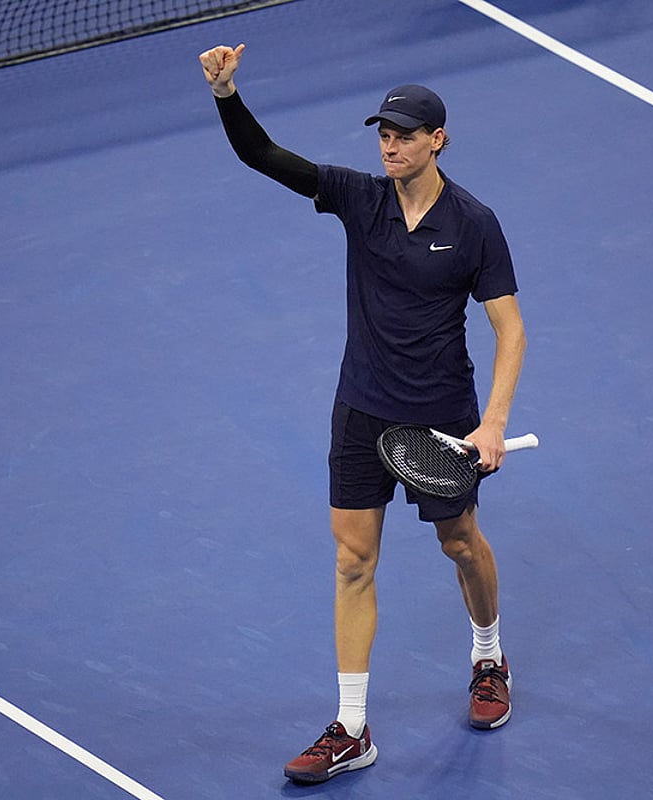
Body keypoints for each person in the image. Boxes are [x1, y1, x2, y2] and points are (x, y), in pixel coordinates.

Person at [199, 43, 527, 784]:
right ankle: (352, 728)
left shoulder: (474, 223)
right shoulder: (360, 197)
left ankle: (488, 656)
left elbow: (511, 330)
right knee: (352, 561)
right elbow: (265, 156)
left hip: (442, 416)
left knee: (461, 543)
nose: (389, 144)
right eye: (383, 132)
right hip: (362, 410)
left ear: (436, 140)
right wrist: (226, 94)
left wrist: (495, 422)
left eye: (404, 134)